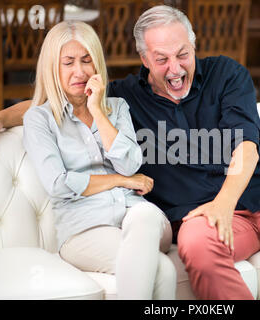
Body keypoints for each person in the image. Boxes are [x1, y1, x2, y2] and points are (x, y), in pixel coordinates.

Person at [0, 6, 260, 300]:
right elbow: (57, 97)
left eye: (183, 53)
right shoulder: (121, 101)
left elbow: (245, 142)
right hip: (201, 218)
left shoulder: (227, 74)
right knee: (199, 247)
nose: (176, 67)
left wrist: (226, 202)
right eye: (162, 58)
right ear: (144, 59)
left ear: (194, 43)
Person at [20, 20, 175, 300]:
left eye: (86, 60)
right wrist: (120, 181)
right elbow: (59, 183)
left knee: (146, 216)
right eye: (68, 62)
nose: (79, 71)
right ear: (52, 67)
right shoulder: (39, 119)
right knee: (163, 271)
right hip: (84, 229)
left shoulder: (117, 108)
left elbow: (130, 163)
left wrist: (98, 111)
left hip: (136, 216)